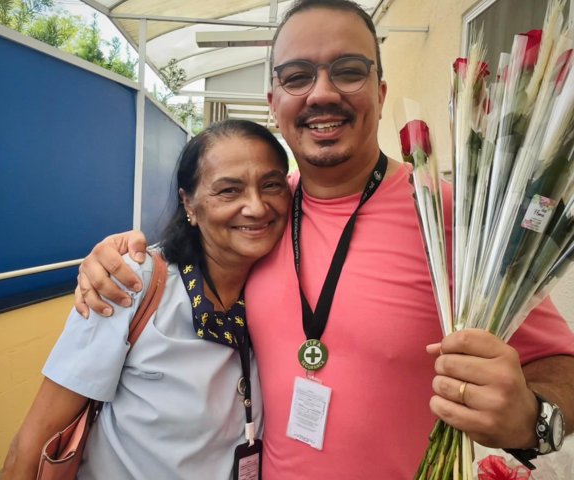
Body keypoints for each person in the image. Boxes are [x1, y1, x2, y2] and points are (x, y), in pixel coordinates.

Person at [74, 0, 574, 478]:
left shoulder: (450, 217)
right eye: (297, 77)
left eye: (349, 70)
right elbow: (181, 258)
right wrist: (113, 259)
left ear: (380, 92)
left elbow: (560, 365)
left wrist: (534, 418)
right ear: (274, 104)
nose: (322, 94)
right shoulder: (261, 218)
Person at [1, 119, 291, 479]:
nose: (257, 207)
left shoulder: (286, 287)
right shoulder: (130, 282)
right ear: (188, 203)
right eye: (229, 191)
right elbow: (32, 444)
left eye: (271, 185)